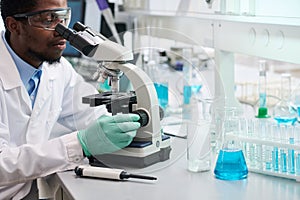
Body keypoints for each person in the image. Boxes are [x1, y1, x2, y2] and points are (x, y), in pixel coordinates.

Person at [0, 0, 141, 199]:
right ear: (14, 25)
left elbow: (90, 114)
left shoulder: (57, 68)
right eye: (48, 20)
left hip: (26, 192)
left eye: (63, 17)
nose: (62, 30)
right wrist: (80, 144)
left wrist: (132, 129)